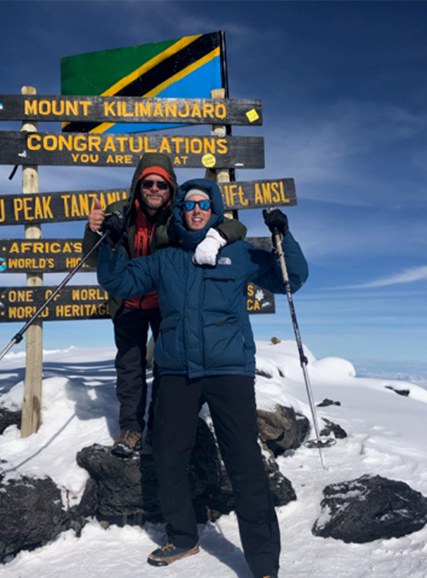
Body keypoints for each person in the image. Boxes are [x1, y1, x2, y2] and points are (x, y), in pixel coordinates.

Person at [96, 178, 308, 578]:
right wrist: (109, 246)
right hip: (177, 371)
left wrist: (284, 236)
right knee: (168, 456)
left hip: (230, 371)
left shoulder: (240, 253)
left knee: (245, 463)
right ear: (181, 212)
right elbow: (119, 283)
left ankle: (263, 562)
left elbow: (289, 279)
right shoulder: (167, 259)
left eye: (204, 204)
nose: (196, 209)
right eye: (190, 203)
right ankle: (182, 535)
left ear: (214, 210)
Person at [83, 154, 247, 458]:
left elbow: (235, 228)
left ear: (171, 188)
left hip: (166, 304)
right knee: (129, 367)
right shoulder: (118, 212)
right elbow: (94, 261)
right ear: (138, 185)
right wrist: (94, 231)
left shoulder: (180, 214)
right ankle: (131, 428)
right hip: (127, 302)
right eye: (148, 183)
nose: (155, 189)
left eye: (161, 183)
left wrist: (217, 236)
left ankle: (158, 428)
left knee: (166, 367)